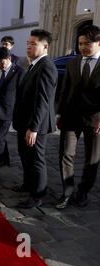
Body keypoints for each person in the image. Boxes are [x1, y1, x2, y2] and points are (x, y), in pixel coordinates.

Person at [55, 25, 100, 209]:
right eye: (80, 43)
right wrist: (59, 113)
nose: (82, 47)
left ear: (98, 43)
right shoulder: (72, 63)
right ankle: (67, 190)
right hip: (70, 117)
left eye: (87, 44)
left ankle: (83, 191)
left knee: (92, 158)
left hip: (95, 120)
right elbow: (64, 90)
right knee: (66, 154)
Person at [12, 29, 58, 209]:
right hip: (25, 122)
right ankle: (28, 184)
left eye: (33, 44)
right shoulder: (33, 64)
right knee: (25, 156)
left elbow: (43, 101)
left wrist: (34, 128)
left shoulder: (46, 66)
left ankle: (37, 195)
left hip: (35, 125)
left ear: (45, 46)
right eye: (27, 43)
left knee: (36, 159)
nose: (29, 47)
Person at [0, 47, 24, 176]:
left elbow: (22, 94)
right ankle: (5, 159)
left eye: (2, 63)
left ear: (9, 59)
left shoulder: (19, 72)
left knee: (0, 138)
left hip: (8, 110)